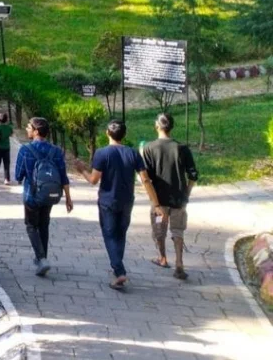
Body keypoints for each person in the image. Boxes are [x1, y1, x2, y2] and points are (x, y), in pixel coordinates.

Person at [73, 120, 162, 290]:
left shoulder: (102, 153)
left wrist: (82, 169)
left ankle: (119, 271)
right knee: (121, 234)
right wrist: (155, 203)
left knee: (109, 235)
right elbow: (145, 179)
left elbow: (93, 180)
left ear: (107, 133)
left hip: (108, 201)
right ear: (124, 135)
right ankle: (117, 270)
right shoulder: (133, 153)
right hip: (127, 200)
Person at [142, 113, 198, 280]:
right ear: (171, 127)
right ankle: (179, 263)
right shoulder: (182, 148)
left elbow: (146, 179)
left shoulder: (149, 148)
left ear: (157, 126)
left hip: (159, 200)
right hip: (178, 200)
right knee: (178, 230)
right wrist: (186, 195)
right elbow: (193, 175)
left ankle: (163, 258)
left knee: (159, 230)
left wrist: (155, 202)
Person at [14, 117, 73, 276]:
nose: (27, 130)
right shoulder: (56, 151)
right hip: (50, 195)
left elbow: (18, 176)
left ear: (36, 131)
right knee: (44, 224)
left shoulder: (25, 150)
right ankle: (42, 257)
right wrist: (68, 198)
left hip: (31, 195)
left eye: (28, 127)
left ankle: (41, 259)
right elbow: (63, 176)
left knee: (31, 226)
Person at [0, 113, 13, 184]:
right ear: (6, 119)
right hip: (7, 147)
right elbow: (11, 134)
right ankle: (7, 179)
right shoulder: (9, 127)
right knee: (6, 164)